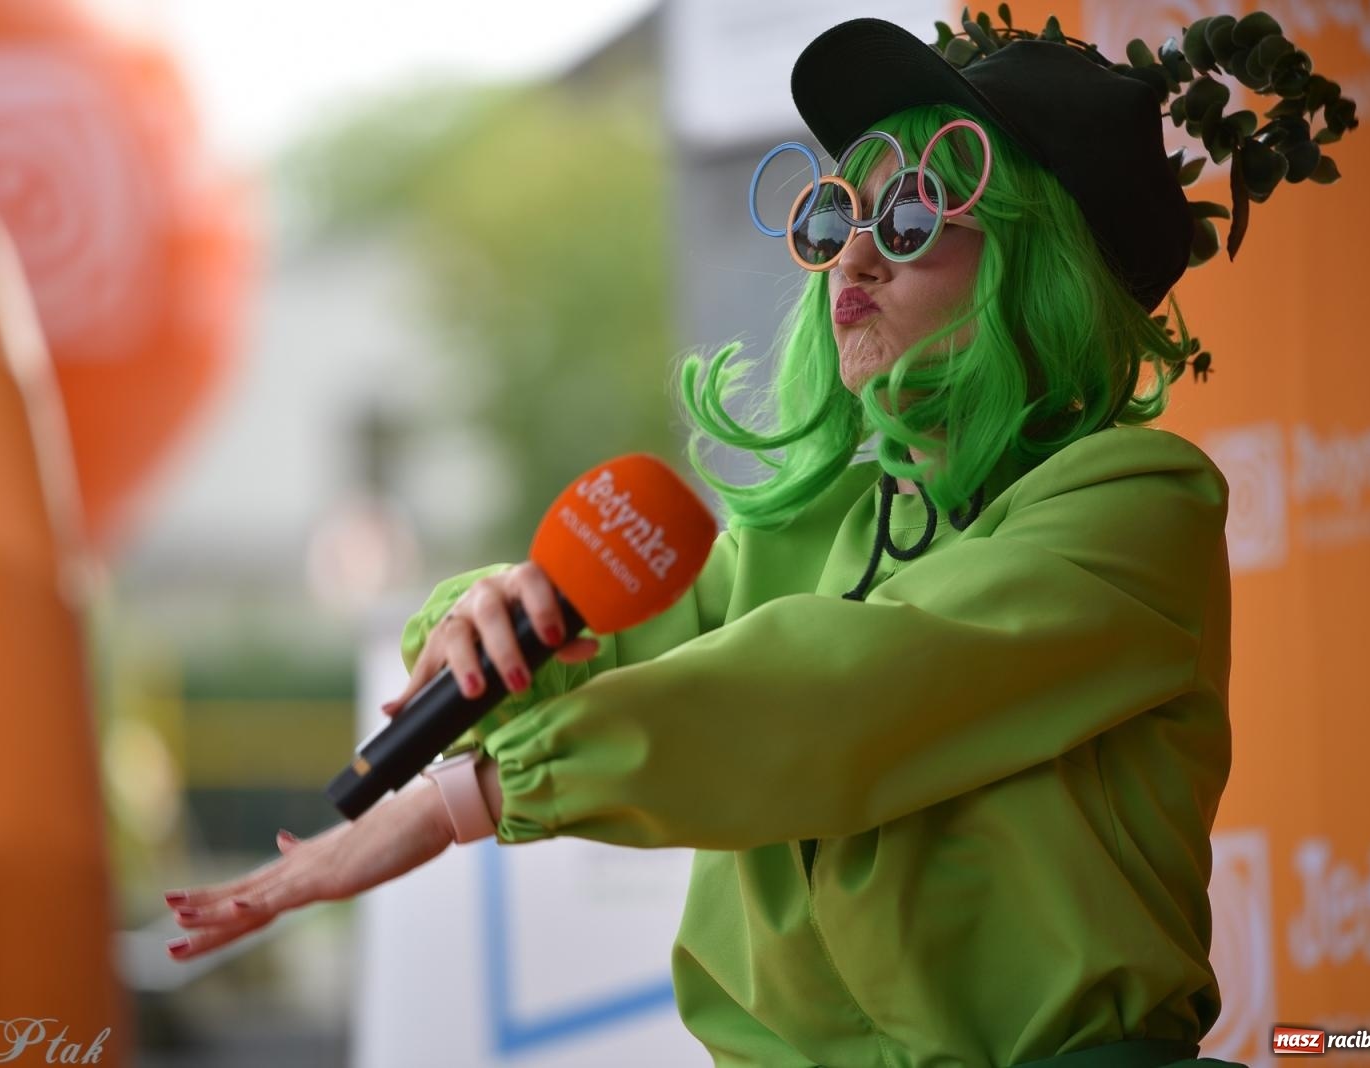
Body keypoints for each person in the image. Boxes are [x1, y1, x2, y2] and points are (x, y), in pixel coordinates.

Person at [165, 18, 1249, 1068]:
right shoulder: (817, 527)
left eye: (914, 221)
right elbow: (612, 659)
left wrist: (468, 802)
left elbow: (833, 703)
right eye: (834, 223)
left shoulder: (1138, 504)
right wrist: (490, 617)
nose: (851, 262)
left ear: (1044, 266)